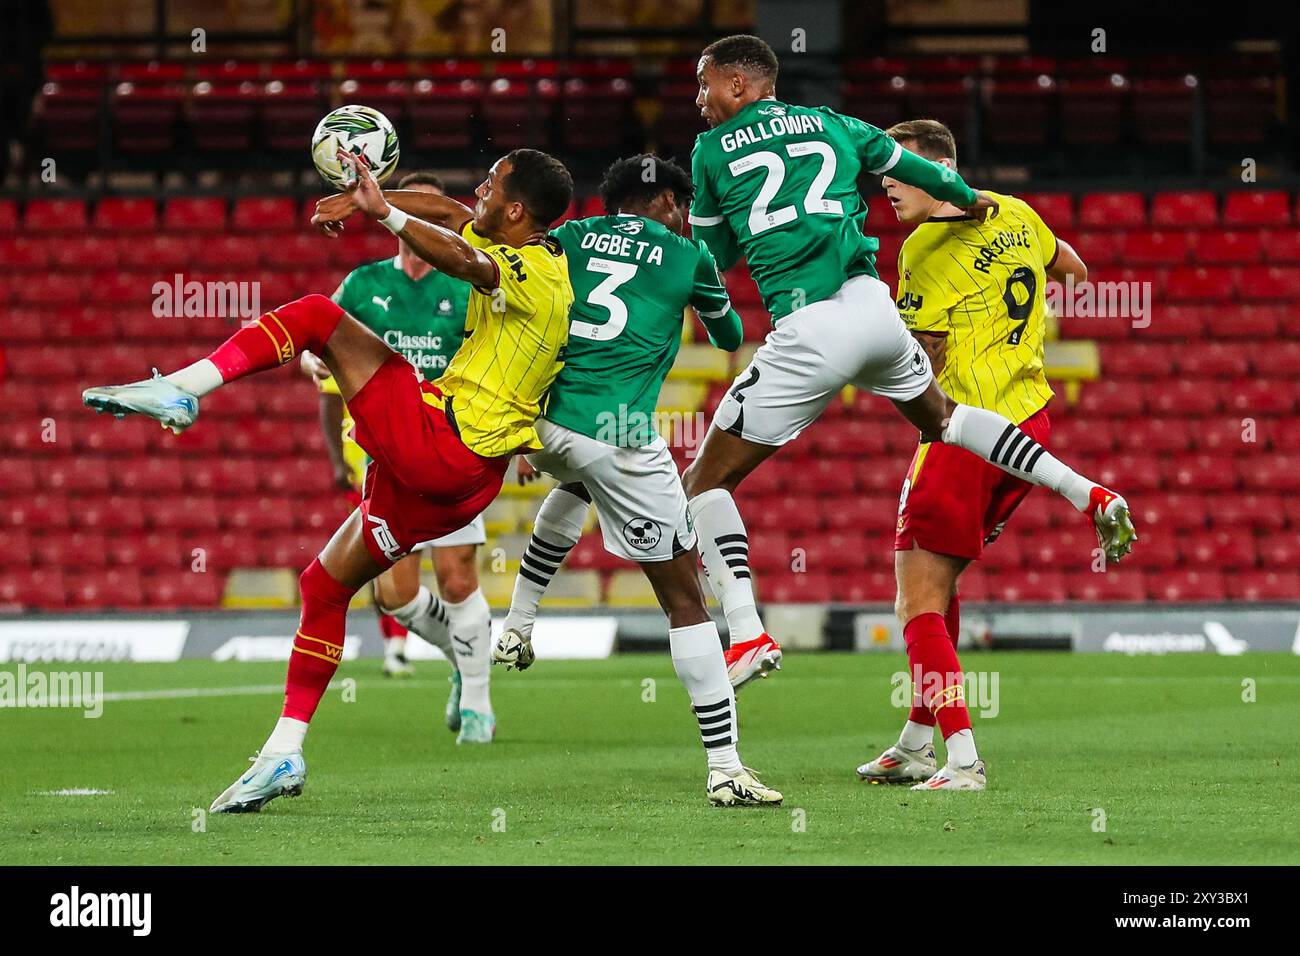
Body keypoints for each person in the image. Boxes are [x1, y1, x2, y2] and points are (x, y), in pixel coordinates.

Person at [83, 147, 575, 812]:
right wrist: (372, 203)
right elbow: (462, 222)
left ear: (517, 209)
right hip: (458, 476)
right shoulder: (528, 252)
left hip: (444, 441)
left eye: (492, 183)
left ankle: (181, 389)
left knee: (316, 315)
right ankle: (283, 752)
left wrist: (387, 212)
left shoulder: (533, 270)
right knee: (325, 583)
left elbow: (470, 260)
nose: (479, 189)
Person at [680, 36, 1136, 730]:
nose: (699, 98)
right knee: (945, 419)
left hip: (806, 327)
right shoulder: (837, 123)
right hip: (871, 306)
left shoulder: (709, 152)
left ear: (739, 84)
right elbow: (938, 179)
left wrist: (709, 306)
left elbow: (710, 259)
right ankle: (1086, 490)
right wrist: (973, 203)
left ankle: (746, 631)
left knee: (705, 486)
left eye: (705, 84)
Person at [491, 154, 782, 805]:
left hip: (542, 424)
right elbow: (731, 335)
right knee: (685, 600)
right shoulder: (688, 256)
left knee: (573, 486)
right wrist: (696, 269)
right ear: (671, 203)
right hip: (619, 435)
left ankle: (517, 621)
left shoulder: (565, 237)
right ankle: (726, 768)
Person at [855, 120, 1094, 790]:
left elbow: (921, 364)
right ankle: (913, 743)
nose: (887, 186)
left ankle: (961, 759)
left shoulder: (924, 247)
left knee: (916, 604)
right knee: (941, 584)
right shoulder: (1017, 213)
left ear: (937, 170)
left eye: (899, 173)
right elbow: (1072, 269)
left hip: (965, 432)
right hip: (1029, 423)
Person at [301, 170, 497, 742]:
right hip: (384, 454)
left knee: (458, 580)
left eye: (440, 214)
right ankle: (466, 658)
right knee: (395, 595)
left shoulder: (466, 287)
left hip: (455, 444)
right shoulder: (362, 286)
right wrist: (314, 363)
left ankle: (479, 704)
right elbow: (318, 349)